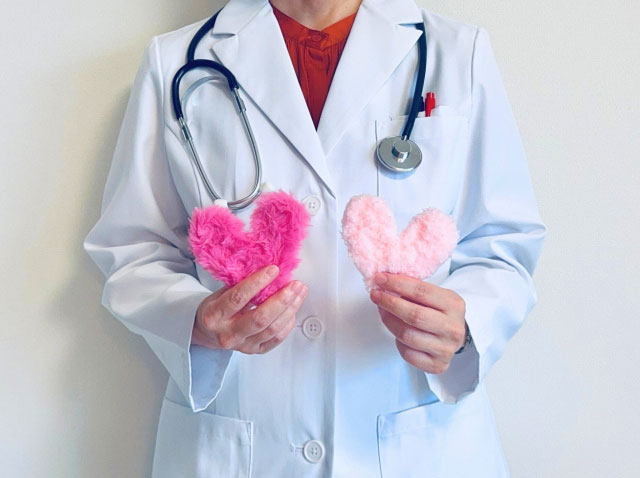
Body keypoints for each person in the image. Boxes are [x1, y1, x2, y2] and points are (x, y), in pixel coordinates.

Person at [83, 0, 547, 476]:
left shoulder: (459, 53)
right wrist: (194, 322)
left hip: (416, 444)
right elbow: (132, 248)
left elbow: (504, 243)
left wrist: (468, 324)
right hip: (244, 440)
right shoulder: (174, 61)